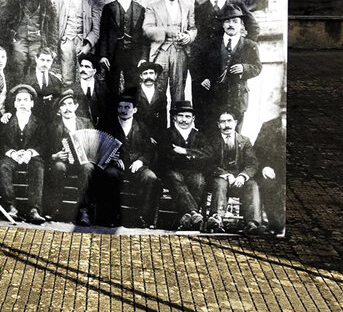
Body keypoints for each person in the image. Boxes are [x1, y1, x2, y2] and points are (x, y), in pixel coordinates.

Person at [191, 0, 259, 114]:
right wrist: (199, 73)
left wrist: (242, 47)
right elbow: (195, 42)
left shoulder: (237, 6)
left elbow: (254, 28)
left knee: (230, 110)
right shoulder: (200, 10)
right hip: (207, 68)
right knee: (206, 111)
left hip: (229, 66)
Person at [95, 88, 161, 228]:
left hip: (137, 166)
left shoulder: (142, 128)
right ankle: (111, 216)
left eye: (127, 107)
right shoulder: (108, 126)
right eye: (120, 107)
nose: (123, 110)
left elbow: (149, 150)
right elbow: (99, 147)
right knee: (110, 175)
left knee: (151, 178)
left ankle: (144, 218)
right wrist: (112, 157)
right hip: (115, 166)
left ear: (134, 110)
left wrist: (141, 161)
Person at [199, 4, 262, 132]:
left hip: (237, 96)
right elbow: (200, 63)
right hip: (215, 96)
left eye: (235, 21)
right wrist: (202, 78)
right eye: (227, 21)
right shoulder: (212, 44)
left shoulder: (249, 45)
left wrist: (244, 68)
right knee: (214, 131)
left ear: (241, 24)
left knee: (235, 133)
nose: (231, 25)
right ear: (223, 25)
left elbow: (257, 67)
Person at [203, 110, 262, 235]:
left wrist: (243, 176)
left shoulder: (245, 141)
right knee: (220, 183)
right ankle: (216, 219)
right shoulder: (212, 141)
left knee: (252, 185)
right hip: (220, 180)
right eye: (223, 122)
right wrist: (226, 175)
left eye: (229, 121)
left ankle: (252, 223)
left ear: (235, 122)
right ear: (218, 124)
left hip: (240, 182)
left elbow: (253, 163)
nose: (226, 125)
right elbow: (208, 163)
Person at [0, 84, 47, 224]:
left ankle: (34, 209)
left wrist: (30, 152)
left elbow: (44, 145)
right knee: (3, 166)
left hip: (32, 157)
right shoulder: (6, 121)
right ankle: (11, 207)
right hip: (12, 156)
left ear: (32, 103)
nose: (22, 103)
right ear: (14, 104)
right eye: (19, 100)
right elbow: (0, 142)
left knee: (38, 167)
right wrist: (12, 153)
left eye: (25, 100)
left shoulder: (40, 123)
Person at [143, 0, 197, 103]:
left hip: (180, 52)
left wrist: (188, 37)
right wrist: (166, 31)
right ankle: (158, 116)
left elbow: (193, 28)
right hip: (160, 51)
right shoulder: (153, 7)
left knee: (179, 90)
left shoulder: (187, 7)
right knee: (158, 89)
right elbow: (147, 30)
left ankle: (176, 116)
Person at [43, 90, 95, 225]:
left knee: (89, 167)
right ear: (59, 109)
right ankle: (55, 208)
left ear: (76, 106)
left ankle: (83, 211)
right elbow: (44, 149)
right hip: (62, 162)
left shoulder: (86, 123)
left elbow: (94, 145)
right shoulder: (52, 126)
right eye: (63, 105)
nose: (67, 108)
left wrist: (88, 154)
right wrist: (54, 156)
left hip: (81, 163)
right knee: (58, 167)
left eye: (70, 104)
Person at [97, 0, 149, 95]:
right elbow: (103, 34)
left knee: (132, 88)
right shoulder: (108, 8)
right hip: (113, 55)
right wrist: (103, 55)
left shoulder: (140, 9)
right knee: (111, 88)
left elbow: (144, 36)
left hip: (133, 55)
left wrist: (143, 57)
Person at [159, 101, 208, 231]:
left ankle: (186, 218)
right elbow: (165, 155)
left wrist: (184, 151)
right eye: (180, 116)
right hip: (172, 170)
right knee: (175, 178)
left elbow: (206, 155)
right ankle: (193, 213)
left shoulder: (199, 135)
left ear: (193, 118)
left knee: (199, 181)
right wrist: (193, 156)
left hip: (193, 171)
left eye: (187, 116)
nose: (184, 120)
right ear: (174, 117)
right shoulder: (166, 134)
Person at [5, 0, 57, 80]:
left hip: (38, 41)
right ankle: (18, 90)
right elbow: (5, 23)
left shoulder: (46, 1)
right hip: (19, 41)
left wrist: (52, 47)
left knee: (36, 67)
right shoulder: (14, 0)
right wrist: (10, 38)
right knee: (18, 66)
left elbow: (53, 27)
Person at [56, 0, 101, 84]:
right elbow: (55, 24)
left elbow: (96, 29)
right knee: (67, 77)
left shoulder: (91, 1)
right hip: (66, 42)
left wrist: (88, 45)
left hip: (83, 42)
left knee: (85, 76)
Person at [253, 115, 285, 234]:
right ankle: (276, 225)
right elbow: (257, 152)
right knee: (268, 184)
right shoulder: (269, 126)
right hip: (274, 172)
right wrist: (264, 167)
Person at [24, 46, 63, 124]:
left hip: (51, 121)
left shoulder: (56, 81)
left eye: (48, 61)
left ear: (52, 61)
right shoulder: (26, 80)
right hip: (32, 121)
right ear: (36, 59)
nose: (45, 64)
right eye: (42, 60)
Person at [133, 62, 168, 138]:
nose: (148, 76)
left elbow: (163, 120)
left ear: (155, 75)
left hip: (155, 135)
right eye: (145, 73)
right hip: (137, 135)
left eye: (151, 73)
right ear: (141, 76)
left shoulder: (161, 95)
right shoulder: (134, 93)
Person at [74, 53, 108, 126]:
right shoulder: (73, 89)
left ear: (94, 71)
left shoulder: (102, 88)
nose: (83, 69)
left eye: (87, 67)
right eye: (81, 66)